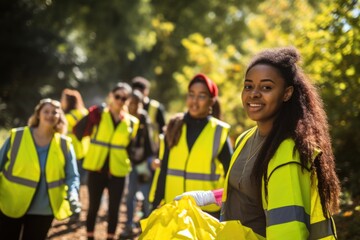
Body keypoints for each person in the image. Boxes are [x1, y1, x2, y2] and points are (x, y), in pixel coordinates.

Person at [175, 47, 341, 239]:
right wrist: (211, 198)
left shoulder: (287, 152)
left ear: (286, 93)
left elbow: (288, 231)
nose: (254, 94)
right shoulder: (246, 138)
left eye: (266, 87)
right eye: (248, 86)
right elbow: (250, 193)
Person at [149, 73, 233, 219]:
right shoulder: (174, 126)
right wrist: (154, 205)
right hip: (175, 207)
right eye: (191, 94)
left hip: (206, 213)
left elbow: (232, 177)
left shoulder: (219, 131)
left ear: (211, 101)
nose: (194, 101)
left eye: (201, 96)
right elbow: (164, 170)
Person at [0, 98, 80, 239]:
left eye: (55, 112)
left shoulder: (64, 144)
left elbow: (72, 175)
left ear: (59, 117)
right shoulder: (17, 136)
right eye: (46, 111)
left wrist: (73, 193)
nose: (50, 115)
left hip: (44, 209)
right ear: (38, 114)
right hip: (12, 202)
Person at [73, 82, 139, 240]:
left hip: (119, 170)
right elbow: (78, 130)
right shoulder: (99, 114)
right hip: (96, 167)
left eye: (124, 98)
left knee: (114, 208)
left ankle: (110, 237)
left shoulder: (132, 122)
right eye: (117, 96)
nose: (120, 100)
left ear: (128, 100)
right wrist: (91, 116)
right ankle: (90, 237)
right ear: (111, 96)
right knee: (93, 207)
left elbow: (132, 148)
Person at [121, 89, 156, 238]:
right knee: (130, 196)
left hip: (144, 163)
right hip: (129, 163)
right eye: (131, 103)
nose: (133, 106)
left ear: (141, 103)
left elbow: (149, 142)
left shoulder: (144, 118)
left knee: (147, 196)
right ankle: (129, 224)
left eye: (136, 103)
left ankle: (146, 225)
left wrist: (150, 161)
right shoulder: (124, 118)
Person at [60, 88, 90, 185]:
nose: (62, 101)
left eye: (63, 99)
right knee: (78, 179)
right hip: (84, 150)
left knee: (70, 178)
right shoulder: (84, 112)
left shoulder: (67, 117)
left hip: (70, 149)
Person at [131, 76, 166, 153]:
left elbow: (162, 130)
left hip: (152, 150)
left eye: (141, 91)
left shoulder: (156, 107)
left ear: (146, 91)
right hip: (133, 149)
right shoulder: (128, 106)